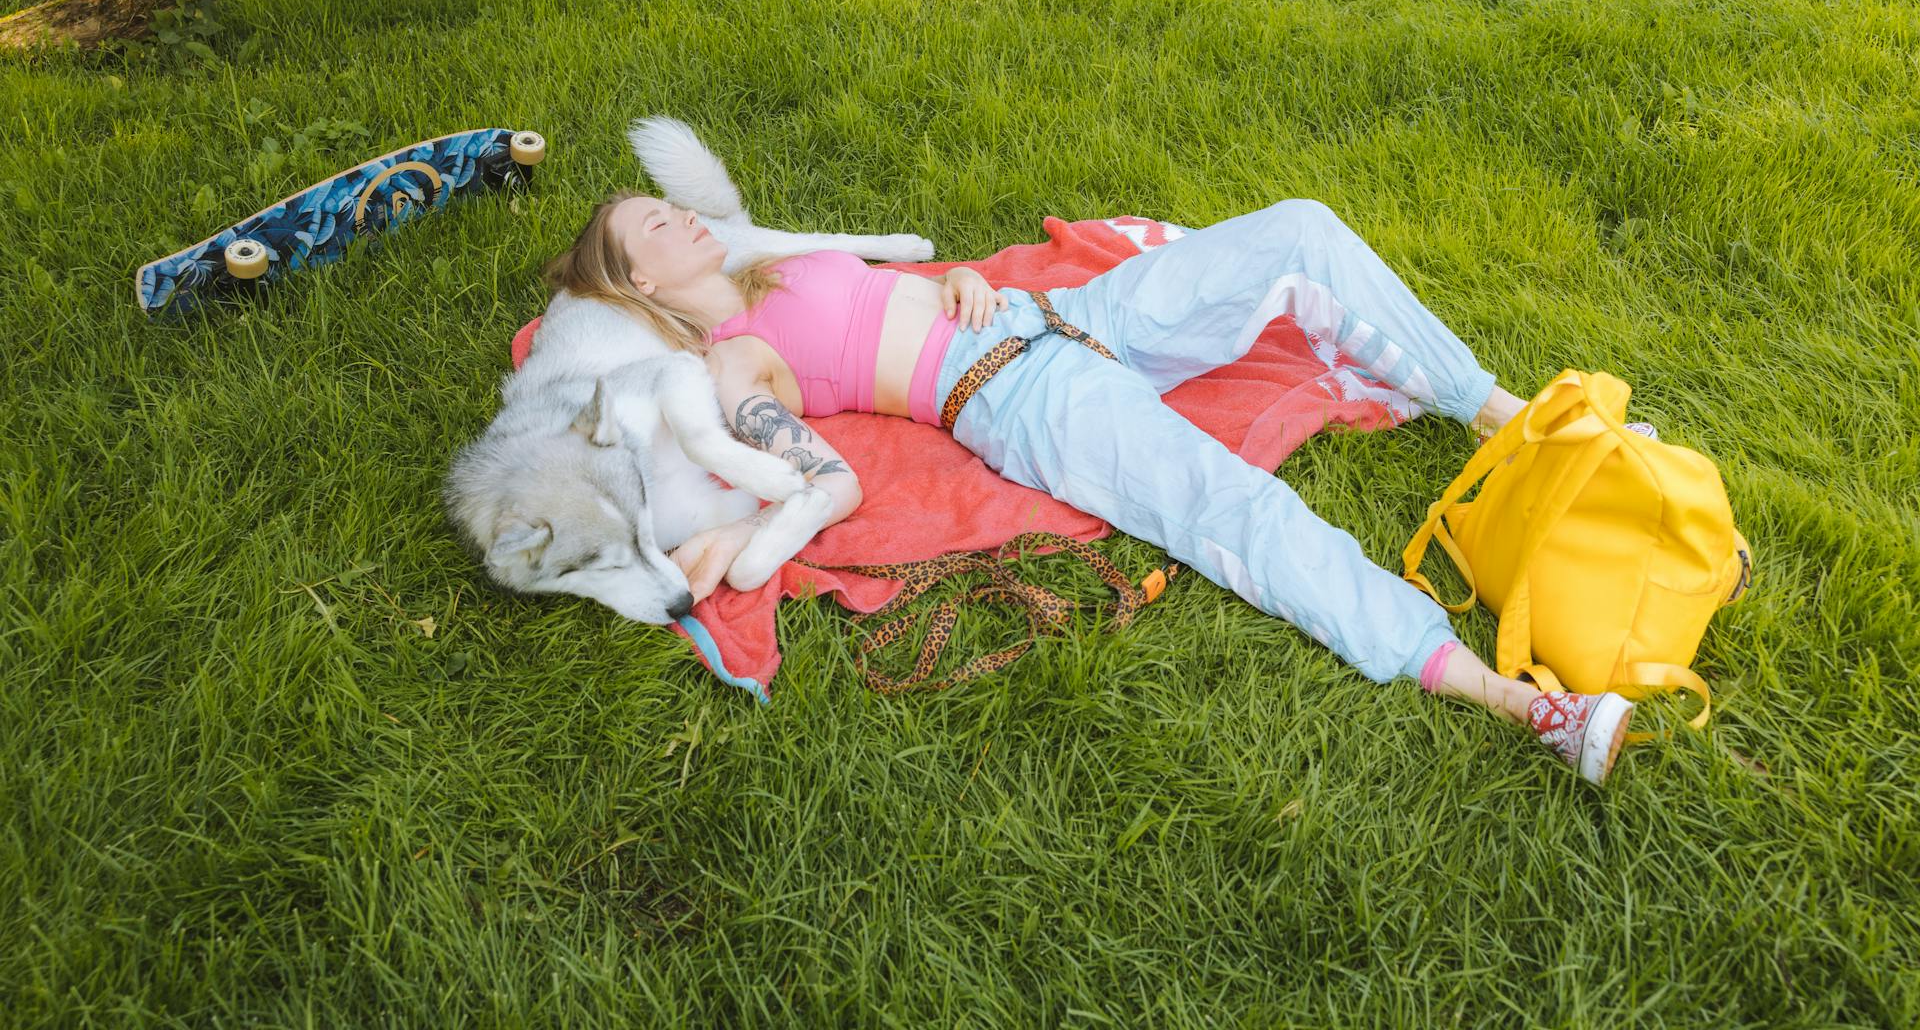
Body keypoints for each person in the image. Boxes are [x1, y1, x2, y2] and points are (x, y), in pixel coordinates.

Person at [543, 193, 1635, 785]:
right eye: (655, 225)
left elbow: (895, 291)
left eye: (671, 205)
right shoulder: (727, 352)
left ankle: (1511, 413)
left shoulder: (771, 270)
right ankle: (1512, 697)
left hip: (1055, 315)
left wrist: (961, 275)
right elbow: (764, 448)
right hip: (1019, 397)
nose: (682, 216)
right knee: (1230, 513)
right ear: (639, 280)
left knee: (1299, 229)